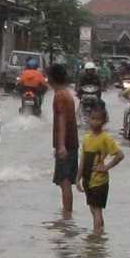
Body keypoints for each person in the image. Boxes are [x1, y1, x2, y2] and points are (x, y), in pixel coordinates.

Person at [76, 104, 124, 233]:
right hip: (88, 179)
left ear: (103, 121)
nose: (94, 121)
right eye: (92, 118)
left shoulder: (106, 138)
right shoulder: (86, 138)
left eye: (97, 119)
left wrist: (106, 167)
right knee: (93, 209)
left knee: (97, 210)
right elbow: (83, 160)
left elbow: (119, 155)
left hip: (99, 181)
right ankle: (98, 234)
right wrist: (78, 178)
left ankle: (97, 236)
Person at [48, 63, 79, 215]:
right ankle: (67, 213)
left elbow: (62, 119)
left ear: (50, 79)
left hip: (67, 143)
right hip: (71, 142)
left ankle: (67, 214)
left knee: (65, 180)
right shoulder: (67, 94)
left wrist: (61, 145)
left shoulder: (60, 96)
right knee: (65, 181)